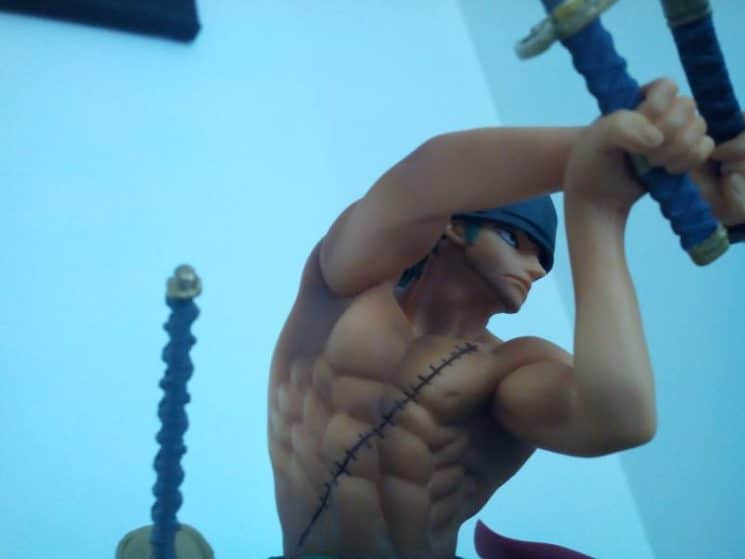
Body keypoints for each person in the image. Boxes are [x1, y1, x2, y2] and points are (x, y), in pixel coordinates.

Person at [266, 78, 745, 559]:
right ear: (455, 226)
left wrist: (597, 210)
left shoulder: (507, 370)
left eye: (543, 259)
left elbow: (624, 418)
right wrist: (616, 150)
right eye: (516, 241)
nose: (534, 268)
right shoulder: (345, 291)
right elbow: (429, 175)